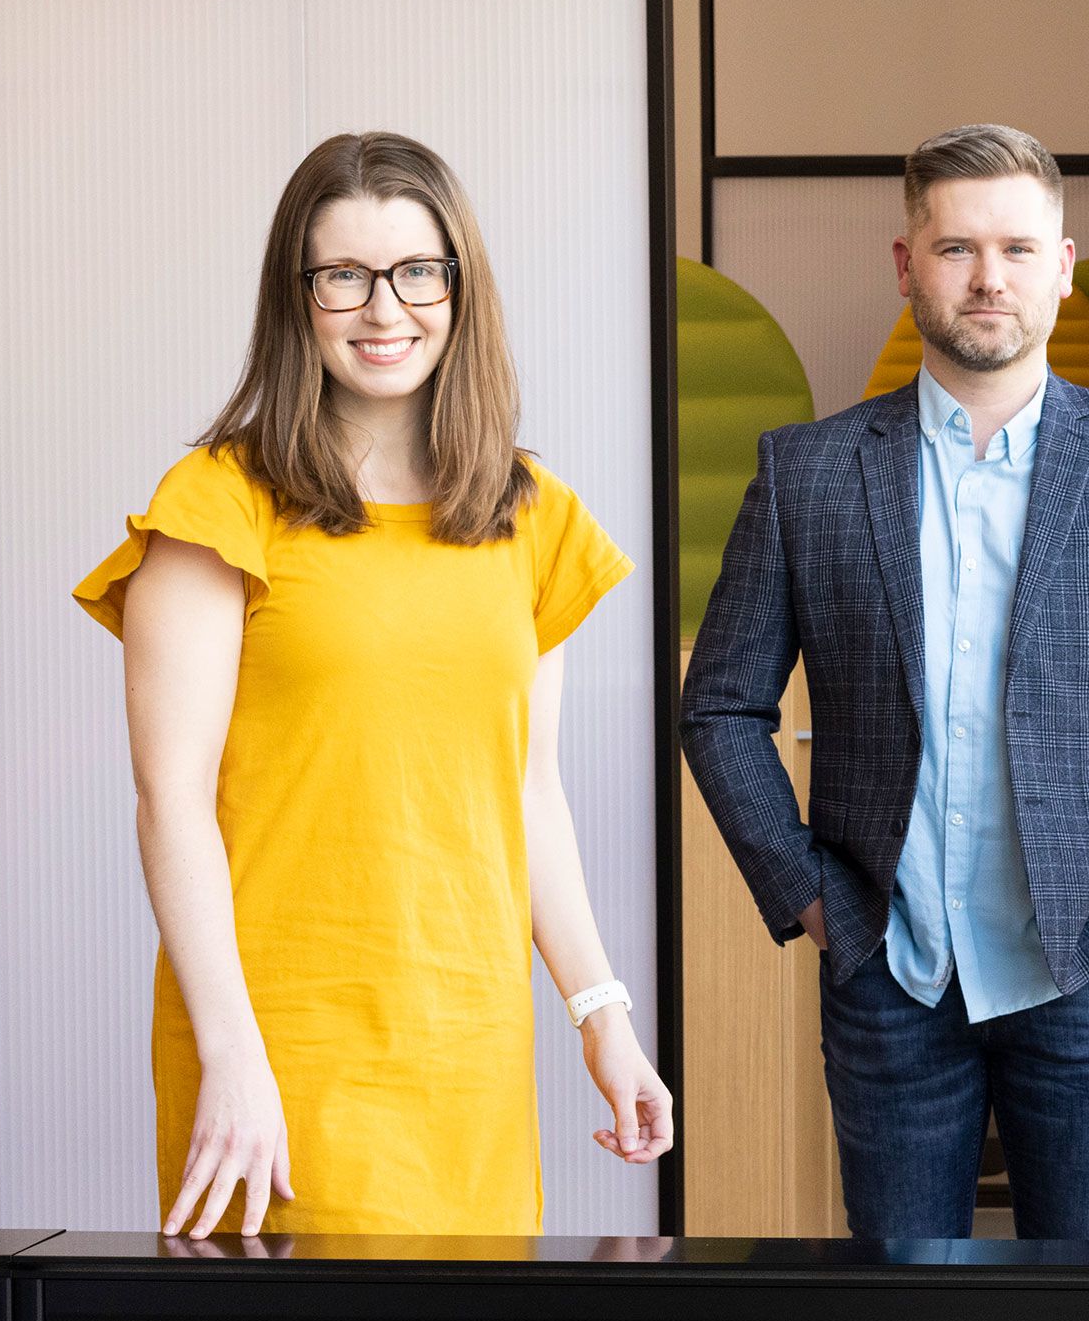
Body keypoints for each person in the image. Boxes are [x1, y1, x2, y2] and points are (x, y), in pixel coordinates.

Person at [680, 123, 1089, 1240]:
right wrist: (806, 894)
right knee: (906, 1310)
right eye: (956, 248)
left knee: (1083, 1311)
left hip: (1087, 963)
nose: (988, 277)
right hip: (886, 967)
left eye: (1016, 248)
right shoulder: (807, 471)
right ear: (906, 267)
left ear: (1062, 266)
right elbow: (719, 708)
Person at [73, 132, 671, 1240]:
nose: (384, 309)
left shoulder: (529, 514)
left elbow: (529, 794)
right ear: (296, 297)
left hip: (467, 1052)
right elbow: (172, 801)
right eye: (343, 275)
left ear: (459, 287)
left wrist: (604, 1020)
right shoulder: (219, 502)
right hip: (275, 1051)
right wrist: (232, 1054)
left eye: (416, 272)